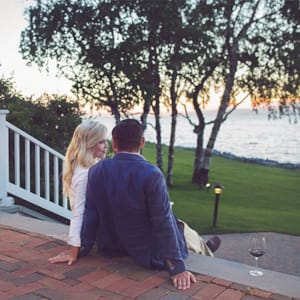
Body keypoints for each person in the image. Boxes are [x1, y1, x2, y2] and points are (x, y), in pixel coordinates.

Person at [79, 119, 220, 290]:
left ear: (114, 143)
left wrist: (82, 248)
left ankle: (204, 247)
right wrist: (176, 268)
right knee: (178, 226)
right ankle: (204, 249)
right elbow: (162, 222)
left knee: (180, 226)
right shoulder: (151, 174)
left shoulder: (97, 170)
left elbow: (90, 214)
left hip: (112, 246)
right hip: (147, 252)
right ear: (142, 142)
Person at [48, 119, 108, 265]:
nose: (106, 146)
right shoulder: (84, 174)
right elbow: (78, 212)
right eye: (101, 142)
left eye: (105, 141)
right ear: (88, 144)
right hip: (93, 232)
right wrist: (74, 251)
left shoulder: (91, 165)